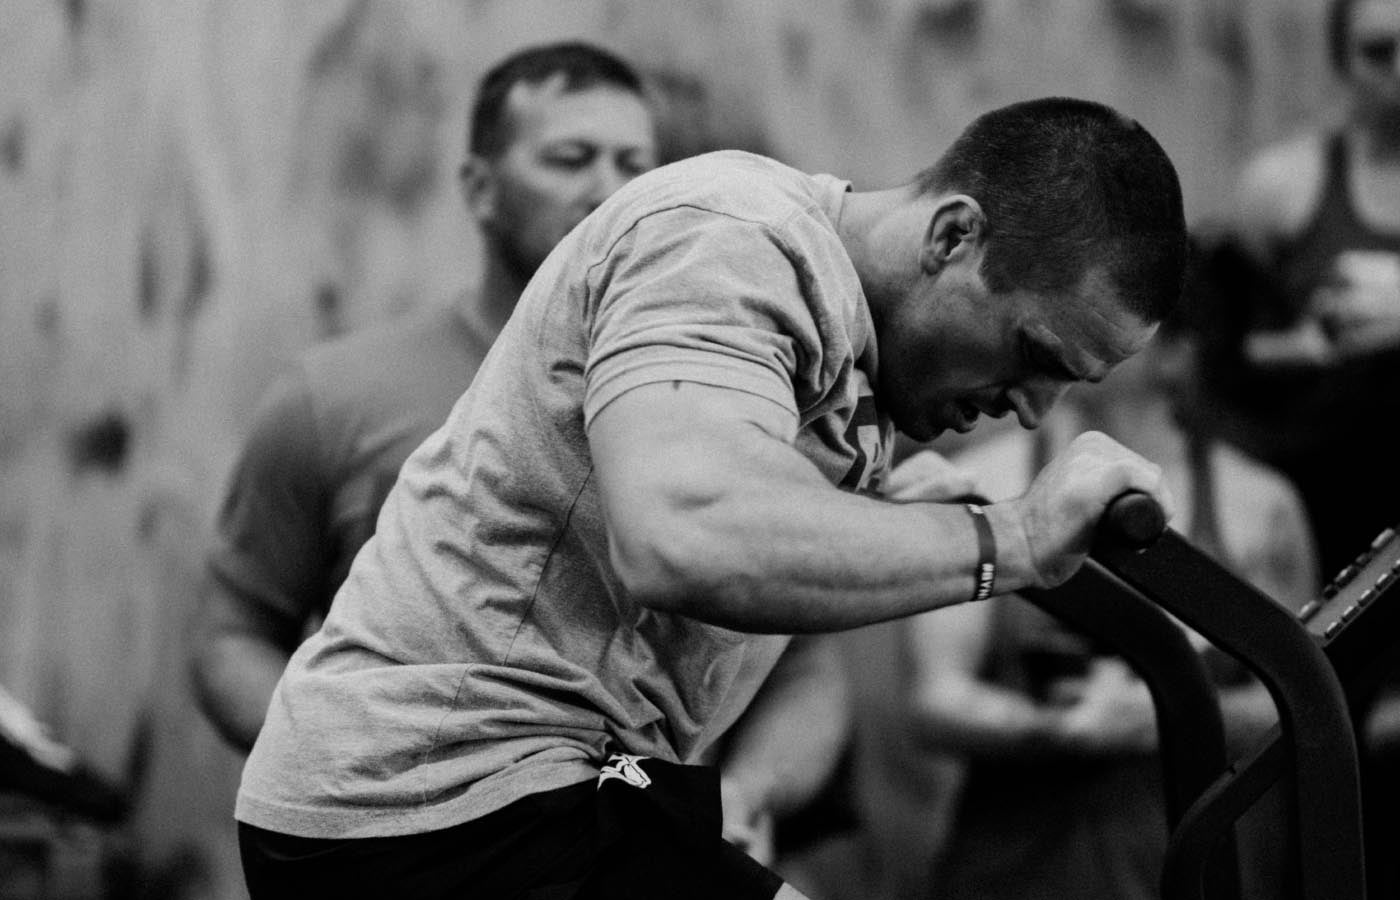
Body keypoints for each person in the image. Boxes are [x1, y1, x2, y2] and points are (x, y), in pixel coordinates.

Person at [232, 96, 1189, 900]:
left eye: (1072, 384)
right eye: (1033, 355)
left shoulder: (854, 352)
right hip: (433, 801)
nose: (1034, 411)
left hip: (546, 791)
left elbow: (767, 504)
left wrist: (912, 511)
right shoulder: (729, 239)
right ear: (953, 235)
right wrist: (1010, 540)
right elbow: (683, 538)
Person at [191, 40, 850, 883]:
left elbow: (803, 667)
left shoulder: (716, 399)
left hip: (645, 849)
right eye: (570, 159)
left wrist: (745, 797)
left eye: (635, 165)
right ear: (479, 188)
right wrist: (374, 772)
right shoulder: (335, 398)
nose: (609, 189)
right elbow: (231, 634)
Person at [895, 291, 1320, 900]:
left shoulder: (1259, 504)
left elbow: (1301, 703)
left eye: (1117, 322)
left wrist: (1157, 716)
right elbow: (932, 699)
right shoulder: (986, 479)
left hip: (1195, 861)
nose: (1073, 338)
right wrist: (1056, 730)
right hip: (1017, 861)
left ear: (1177, 352)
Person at [1203, 2, 1400, 894]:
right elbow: (1222, 359)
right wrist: (1314, 346)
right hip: (1322, 517)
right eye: (1379, 52)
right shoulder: (1283, 188)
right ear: (1342, 61)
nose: (1399, 74)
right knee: (1324, 760)